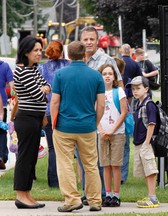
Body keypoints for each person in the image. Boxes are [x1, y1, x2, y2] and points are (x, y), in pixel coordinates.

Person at [50, 41, 105, 212]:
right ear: (84, 55)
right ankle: (95, 200)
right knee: (90, 164)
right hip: (87, 126)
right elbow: (102, 105)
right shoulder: (96, 76)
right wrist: (95, 122)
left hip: (64, 126)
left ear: (68, 55)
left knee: (65, 163)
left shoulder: (60, 74)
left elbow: (54, 102)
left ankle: (72, 199)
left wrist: (54, 123)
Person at [79, 26, 124, 204]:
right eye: (85, 39)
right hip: (82, 112)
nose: (88, 42)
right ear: (81, 41)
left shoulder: (106, 60)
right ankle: (88, 192)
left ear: (97, 41)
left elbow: (119, 82)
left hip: (104, 116)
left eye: (92, 39)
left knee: (100, 159)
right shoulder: (78, 60)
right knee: (84, 156)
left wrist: (121, 107)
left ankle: (106, 194)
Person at [13, 36, 50, 209]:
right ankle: (21, 195)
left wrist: (44, 89)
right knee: (25, 158)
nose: (39, 53)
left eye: (40, 50)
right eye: (35, 50)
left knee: (31, 159)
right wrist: (43, 90)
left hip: (35, 118)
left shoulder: (33, 70)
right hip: (26, 118)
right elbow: (39, 95)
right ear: (26, 52)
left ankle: (27, 194)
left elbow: (47, 86)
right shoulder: (21, 71)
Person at [38, 40, 70, 188]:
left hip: (47, 112)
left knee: (52, 148)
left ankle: (53, 181)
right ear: (62, 51)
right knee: (65, 149)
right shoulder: (68, 66)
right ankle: (65, 179)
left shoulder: (41, 68)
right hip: (65, 110)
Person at [125, 76, 160, 208]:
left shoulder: (149, 105)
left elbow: (151, 124)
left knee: (150, 169)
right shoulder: (139, 104)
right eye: (133, 89)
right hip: (139, 142)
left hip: (146, 143)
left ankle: (153, 198)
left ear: (146, 89)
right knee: (146, 170)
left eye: (138, 88)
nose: (135, 91)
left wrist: (146, 142)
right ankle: (150, 195)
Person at [98, 63, 127, 207]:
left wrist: (113, 129)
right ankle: (107, 194)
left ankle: (116, 195)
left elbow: (124, 112)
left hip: (117, 133)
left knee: (115, 165)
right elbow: (93, 112)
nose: (107, 76)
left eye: (110, 73)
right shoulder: (97, 92)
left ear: (114, 76)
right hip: (102, 133)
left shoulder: (119, 91)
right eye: (104, 74)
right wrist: (101, 130)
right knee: (106, 165)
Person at [113, 57, 130, 184]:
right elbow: (128, 102)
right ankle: (122, 176)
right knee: (125, 148)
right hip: (122, 122)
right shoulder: (125, 84)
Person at [0, 59, 14, 170]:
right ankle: (2, 157)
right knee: (1, 131)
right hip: (2, 104)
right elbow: (13, 87)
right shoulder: (4, 66)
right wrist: (13, 100)